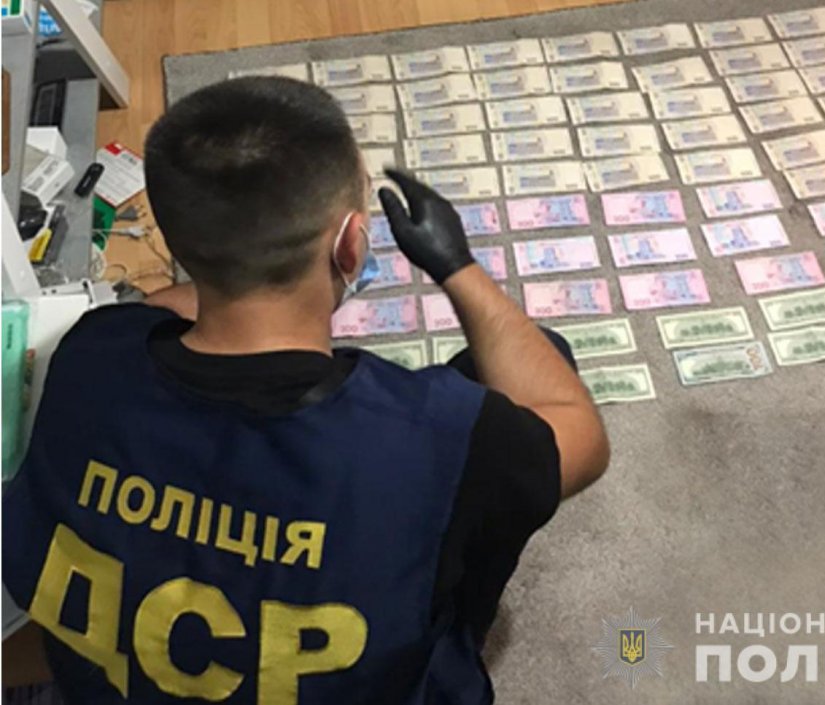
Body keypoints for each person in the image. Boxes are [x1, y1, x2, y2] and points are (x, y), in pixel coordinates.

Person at [1, 76, 610, 704]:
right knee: (539, 360)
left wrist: (242, 265)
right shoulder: (434, 438)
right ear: (351, 244)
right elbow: (580, 433)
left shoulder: (92, 352)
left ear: (180, 244)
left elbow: (153, 312)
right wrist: (457, 266)